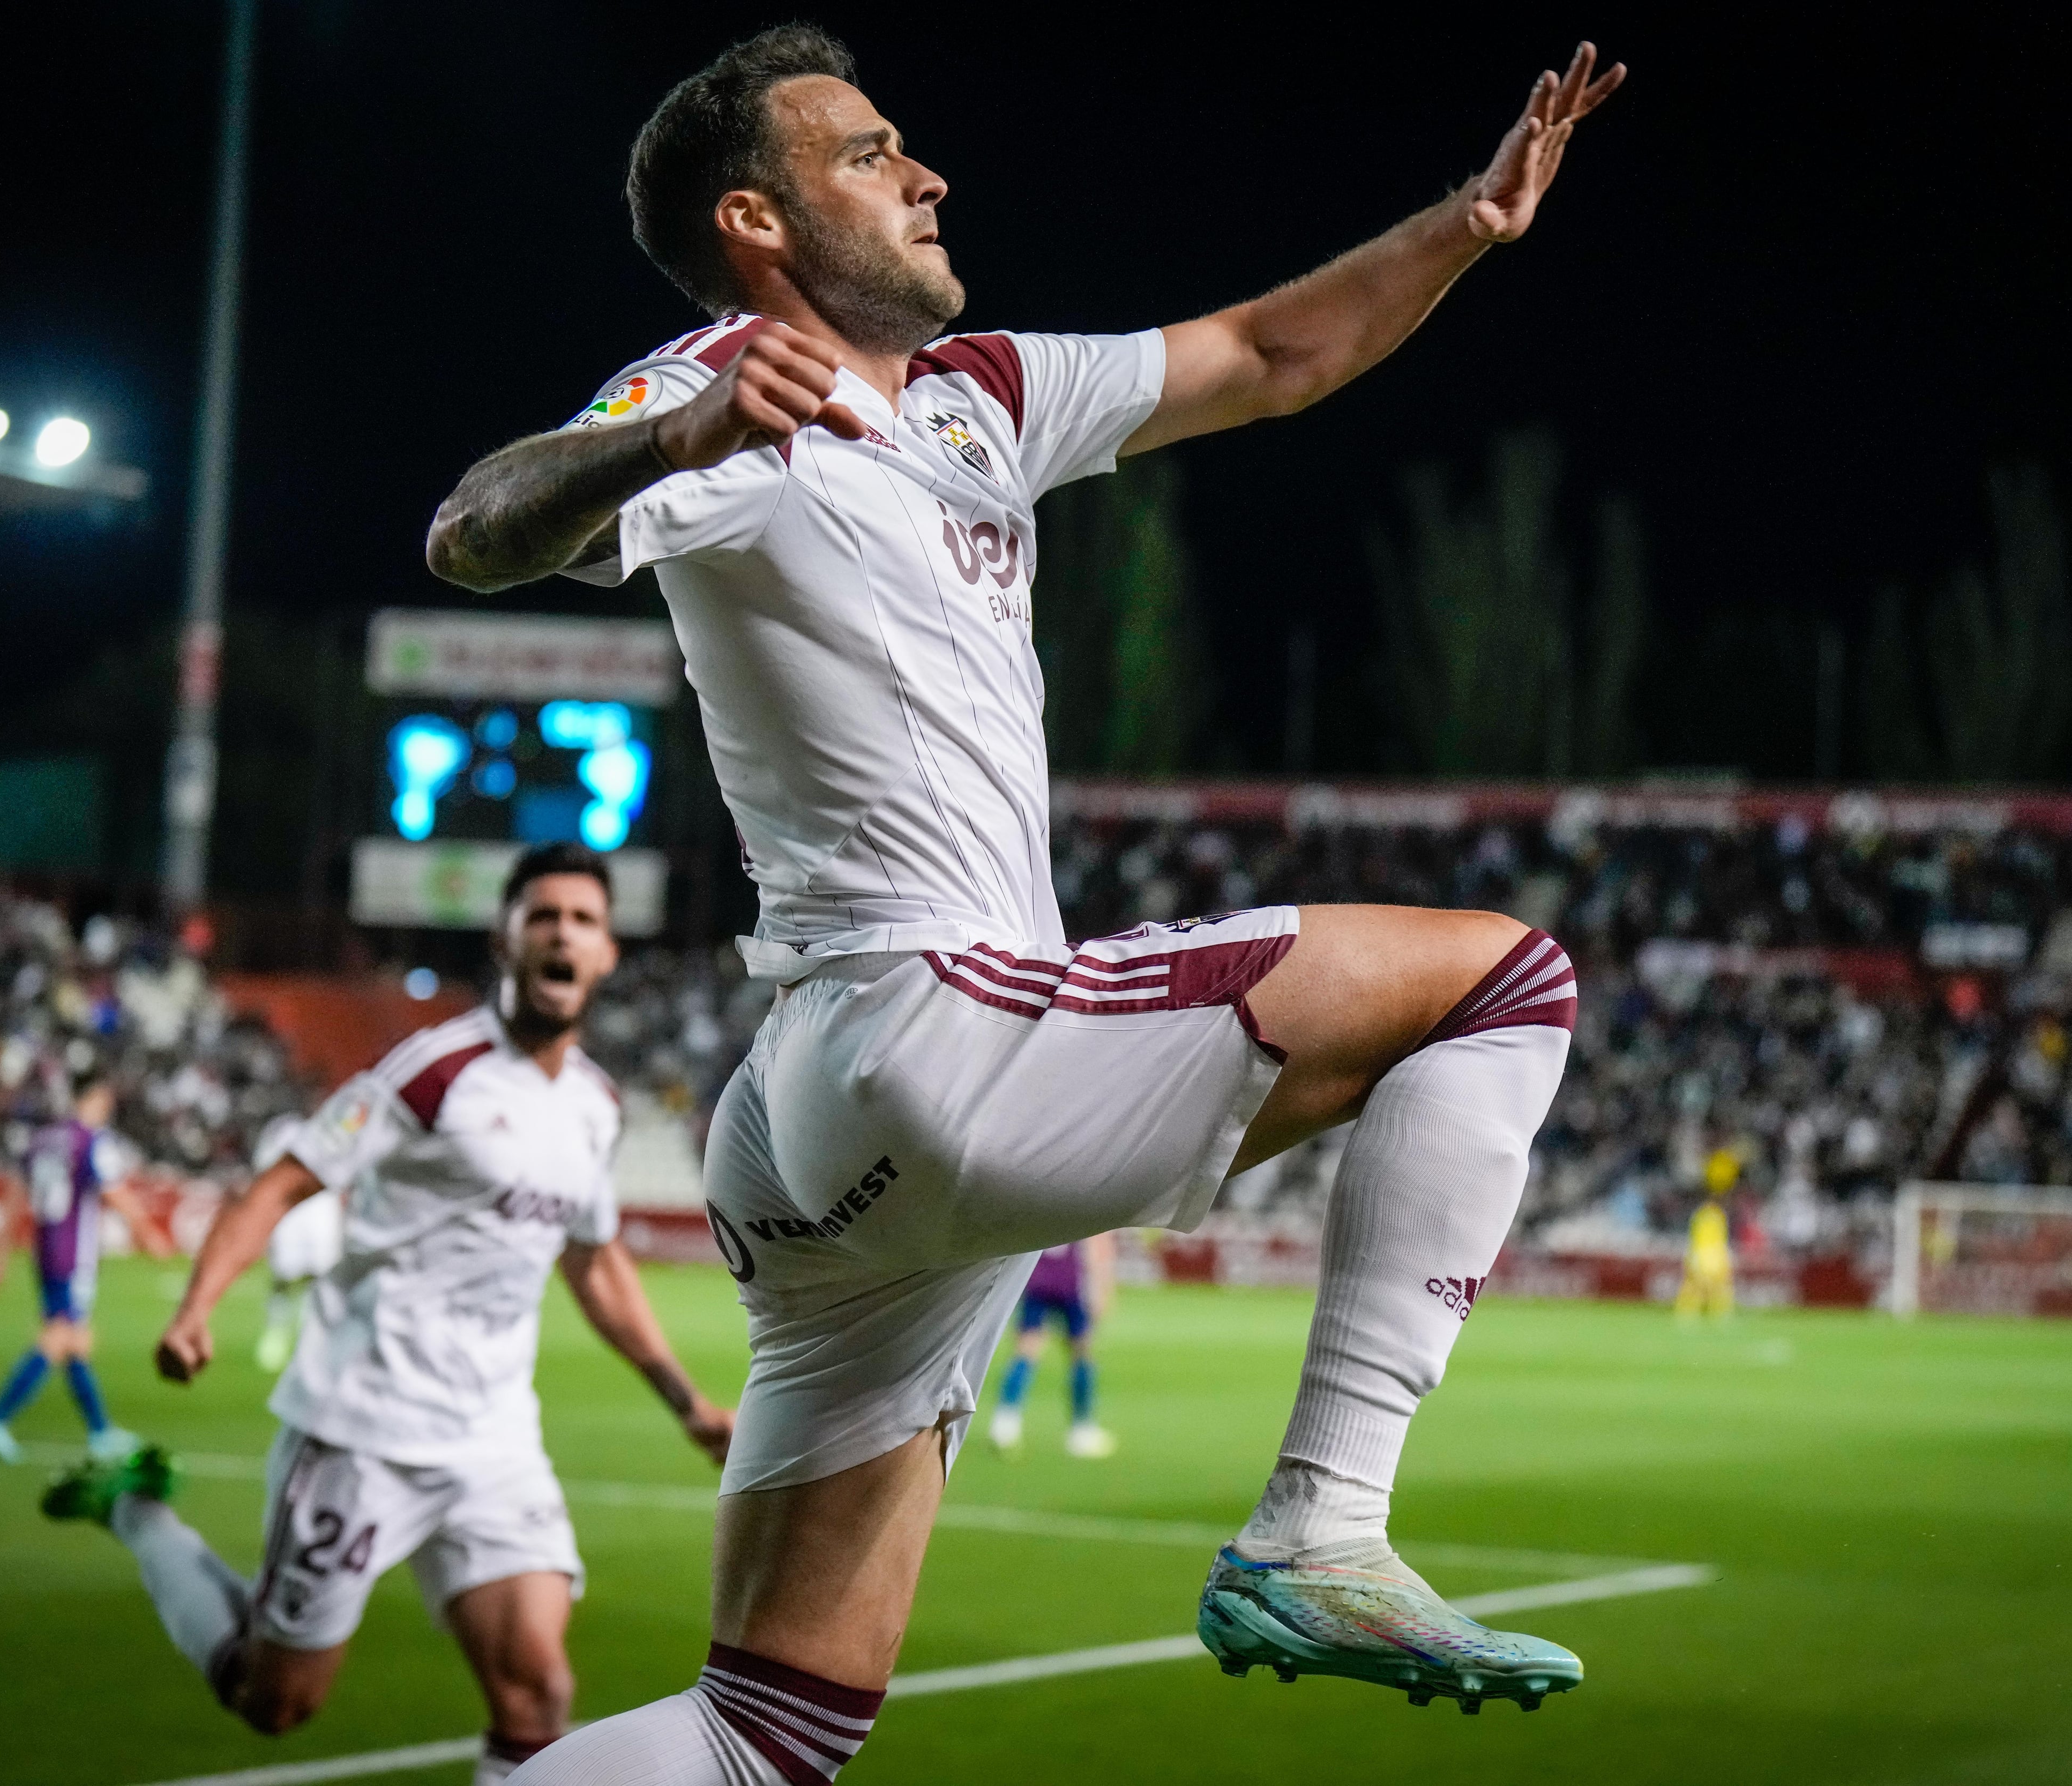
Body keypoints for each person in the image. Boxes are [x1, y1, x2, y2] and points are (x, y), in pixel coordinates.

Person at [426, 27, 1621, 1777]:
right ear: (756, 220)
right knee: (1504, 980)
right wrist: (665, 437)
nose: (929, 177)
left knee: (768, 1734)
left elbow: (1275, 352)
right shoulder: (722, 387)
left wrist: (1469, 222)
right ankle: (1318, 1529)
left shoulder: (981, 390)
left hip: (822, 1128)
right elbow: (475, 525)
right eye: (873, 154)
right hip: (933, 1023)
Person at [36, 843, 735, 1786]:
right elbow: (284, 1180)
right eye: (543, 915)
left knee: (536, 1687)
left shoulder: (596, 1106)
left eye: (583, 919)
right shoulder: (432, 1074)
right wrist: (199, 1305)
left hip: (492, 1437)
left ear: (608, 953)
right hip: (362, 1426)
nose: (563, 933)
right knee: (275, 1700)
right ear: (506, 939)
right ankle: (138, 1509)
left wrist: (686, 1400)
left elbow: (596, 1262)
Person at [0, 1071, 164, 1462]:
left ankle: (100, 1431)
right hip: (74, 1254)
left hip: (46, 1250)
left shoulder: (42, 1140)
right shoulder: (91, 1140)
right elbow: (113, 1190)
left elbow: (14, 1193)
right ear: (94, 1096)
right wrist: (147, 1231)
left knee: (78, 1342)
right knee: (60, 1337)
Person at [985, 1235, 1117, 1458]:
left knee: (1026, 1350)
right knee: (1082, 1353)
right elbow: (1099, 1246)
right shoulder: (1088, 1202)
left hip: (1037, 1280)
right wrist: (1103, 1290)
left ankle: (1005, 1422)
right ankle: (1082, 1430)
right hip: (1071, 1282)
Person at [248, 1113, 342, 1372]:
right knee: (285, 1277)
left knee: (320, 1278)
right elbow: (264, 1172)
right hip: (290, 1210)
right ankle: (276, 1332)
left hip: (321, 1208)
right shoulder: (279, 1130)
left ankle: (309, 1340)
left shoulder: (336, 1123)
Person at [1673, 1148, 1739, 1321]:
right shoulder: (1715, 1215)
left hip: (1705, 1256)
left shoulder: (1704, 1214)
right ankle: (1713, 1314)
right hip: (1712, 1256)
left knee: (1699, 1287)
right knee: (1711, 1288)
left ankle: (1690, 1314)